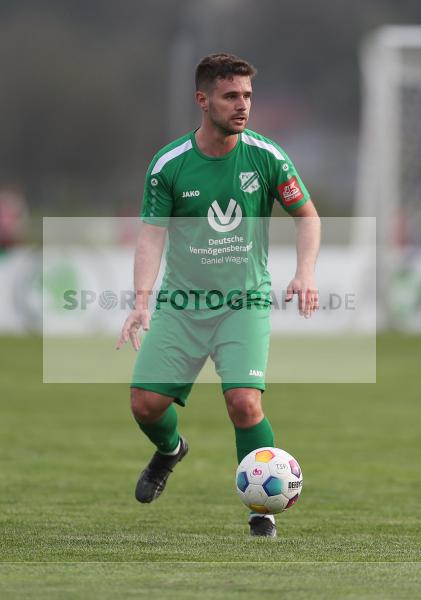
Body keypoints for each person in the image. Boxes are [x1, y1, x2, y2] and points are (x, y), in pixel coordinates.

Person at [115, 53, 320, 538]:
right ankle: (170, 451)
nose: (242, 105)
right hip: (182, 305)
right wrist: (141, 300)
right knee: (145, 405)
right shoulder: (169, 164)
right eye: (231, 96)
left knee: (244, 403)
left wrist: (305, 272)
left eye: (247, 95)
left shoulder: (267, 156)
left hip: (243, 304)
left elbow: (308, 217)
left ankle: (262, 510)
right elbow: (151, 236)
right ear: (203, 100)